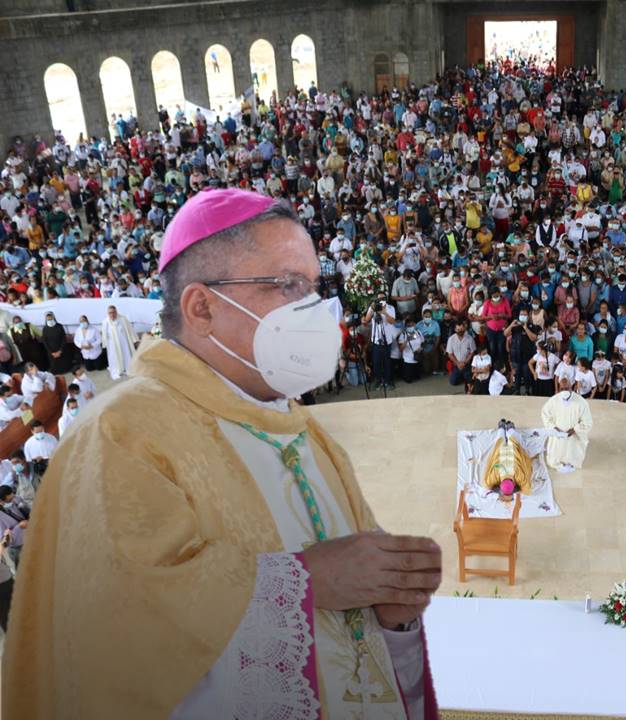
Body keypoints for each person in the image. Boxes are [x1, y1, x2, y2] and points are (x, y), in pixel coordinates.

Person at [3, 189, 442, 719]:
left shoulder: (303, 430)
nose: (312, 306)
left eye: (312, 286)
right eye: (287, 285)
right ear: (202, 307)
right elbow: (110, 652)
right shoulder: (119, 435)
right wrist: (306, 582)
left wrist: (390, 617)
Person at [541, 376, 593, 473]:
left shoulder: (581, 402)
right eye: (562, 389)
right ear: (558, 388)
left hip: (573, 436)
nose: (564, 391)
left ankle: (571, 461)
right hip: (558, 434)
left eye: (566, 389)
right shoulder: (553, 400)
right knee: (554, 458)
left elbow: (587, 422)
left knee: (572, 454)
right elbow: (545, 414)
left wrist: (575, 430)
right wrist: (554, 428)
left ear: (571, 387)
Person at [101, 304, 139, 380]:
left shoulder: (123, 319)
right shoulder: (105, 322)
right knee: (114, 357)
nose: (112, 314)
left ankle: (128, 369)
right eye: (110, 313)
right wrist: (104, 344)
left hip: (124, 343)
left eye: (113, 312)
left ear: (116, 312)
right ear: (108, 313)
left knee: (126, 355)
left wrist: (135, 340)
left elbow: (130, 330)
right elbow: (104, 334)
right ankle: (117, 370)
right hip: (112, 345)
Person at [0, 484, 29, 569]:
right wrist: (19, 527)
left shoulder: (17, 499)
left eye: (13, 496)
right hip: (18, 548)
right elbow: (4, 540)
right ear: (1, 501)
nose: (13, 500)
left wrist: (23, 506)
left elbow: (29, 511)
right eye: (10, 500)